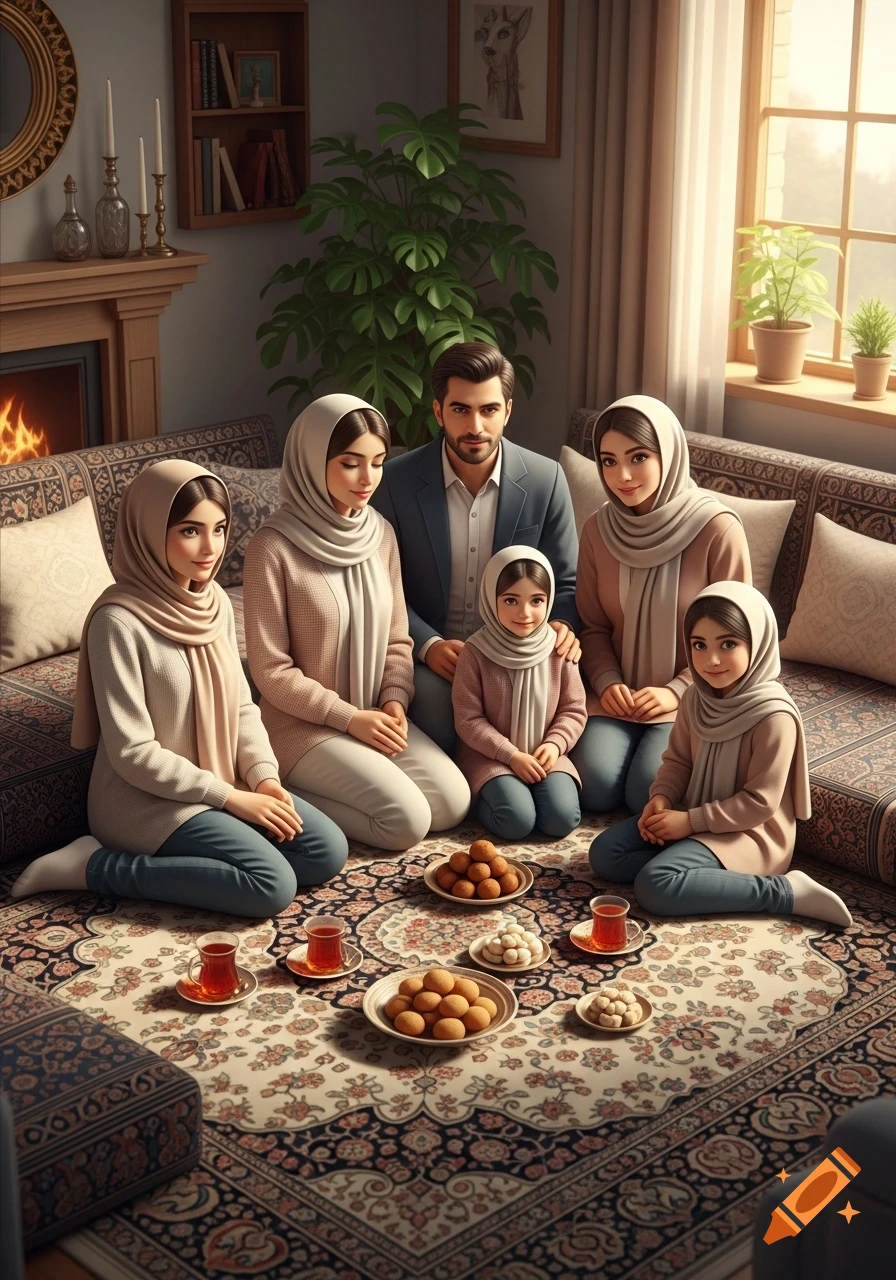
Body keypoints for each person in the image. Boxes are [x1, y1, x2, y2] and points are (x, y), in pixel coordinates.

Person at [10, 461, 348, 916]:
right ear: (150, 531)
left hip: (221, 780)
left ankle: (209, 850)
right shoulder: (118, 622)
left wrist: (264, 777)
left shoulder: (216, 605)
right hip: (145, 801)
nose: (211, 548)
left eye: (220, 529)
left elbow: (242, 708)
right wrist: (231, 799)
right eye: (191, 531)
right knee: (271, 885)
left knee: (326, 851)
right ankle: (92, 865)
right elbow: (132, 752)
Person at [243, 394, 470, 852]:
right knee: (407, 823)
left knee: (452, 804)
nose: (368, 479)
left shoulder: (379, 533)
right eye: (351, 463)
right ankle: (278, 788)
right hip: (300, 726)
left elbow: (397, 639)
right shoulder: (273, 547)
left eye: (378, 462)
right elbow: (270, 672)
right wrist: (349, 720)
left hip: (373, 716)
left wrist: (394, 702)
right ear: (312, 459)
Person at [589, 581, 852, 926]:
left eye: (728, 644)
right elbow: (678, 761)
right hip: (693, 813)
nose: (711, 660)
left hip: (749, 833)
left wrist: (689, 823)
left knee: (655, 886)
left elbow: (759, 803)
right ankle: (693, 868)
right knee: (606, 854)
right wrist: (662, 799)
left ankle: (784, 892)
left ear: (756, 643)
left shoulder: (774, 716)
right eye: (699, 645)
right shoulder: (695, 698)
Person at [372, 341, 580, 756]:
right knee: (449, 727)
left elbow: (567, 582)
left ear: (507, 410)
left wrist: (561, 625)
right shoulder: (394, 482)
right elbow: (380, 585)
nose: (475, 427)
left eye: (488, 410)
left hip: (518, 655)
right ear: (438, 411)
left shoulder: (546, 479)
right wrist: (429, 645)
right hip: (429, 656)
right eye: (460, 409)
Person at [571, 395, 752, 815]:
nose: (623, 475)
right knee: (593, 788)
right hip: (617, 697)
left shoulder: (718, 530)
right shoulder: (598, 529)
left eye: (638, 457)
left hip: (697, 699)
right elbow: (593, 626)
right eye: (608, 461)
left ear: (668, 454)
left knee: (644, 794)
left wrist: (677, 691)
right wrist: (606, 680)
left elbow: (738, 638)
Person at [452, 546, 587, 840]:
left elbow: (574, 709)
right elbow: (467, 720)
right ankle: (495, 799)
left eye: (536, 600)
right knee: (515, 821)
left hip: (546, 754)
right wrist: (511, 756)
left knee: (562, 819)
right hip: (491, 756)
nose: (525, 613)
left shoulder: (560, 649)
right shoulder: (475, 653)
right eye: (511, 600)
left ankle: (530, 795)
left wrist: (554, 745)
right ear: (491, 599)